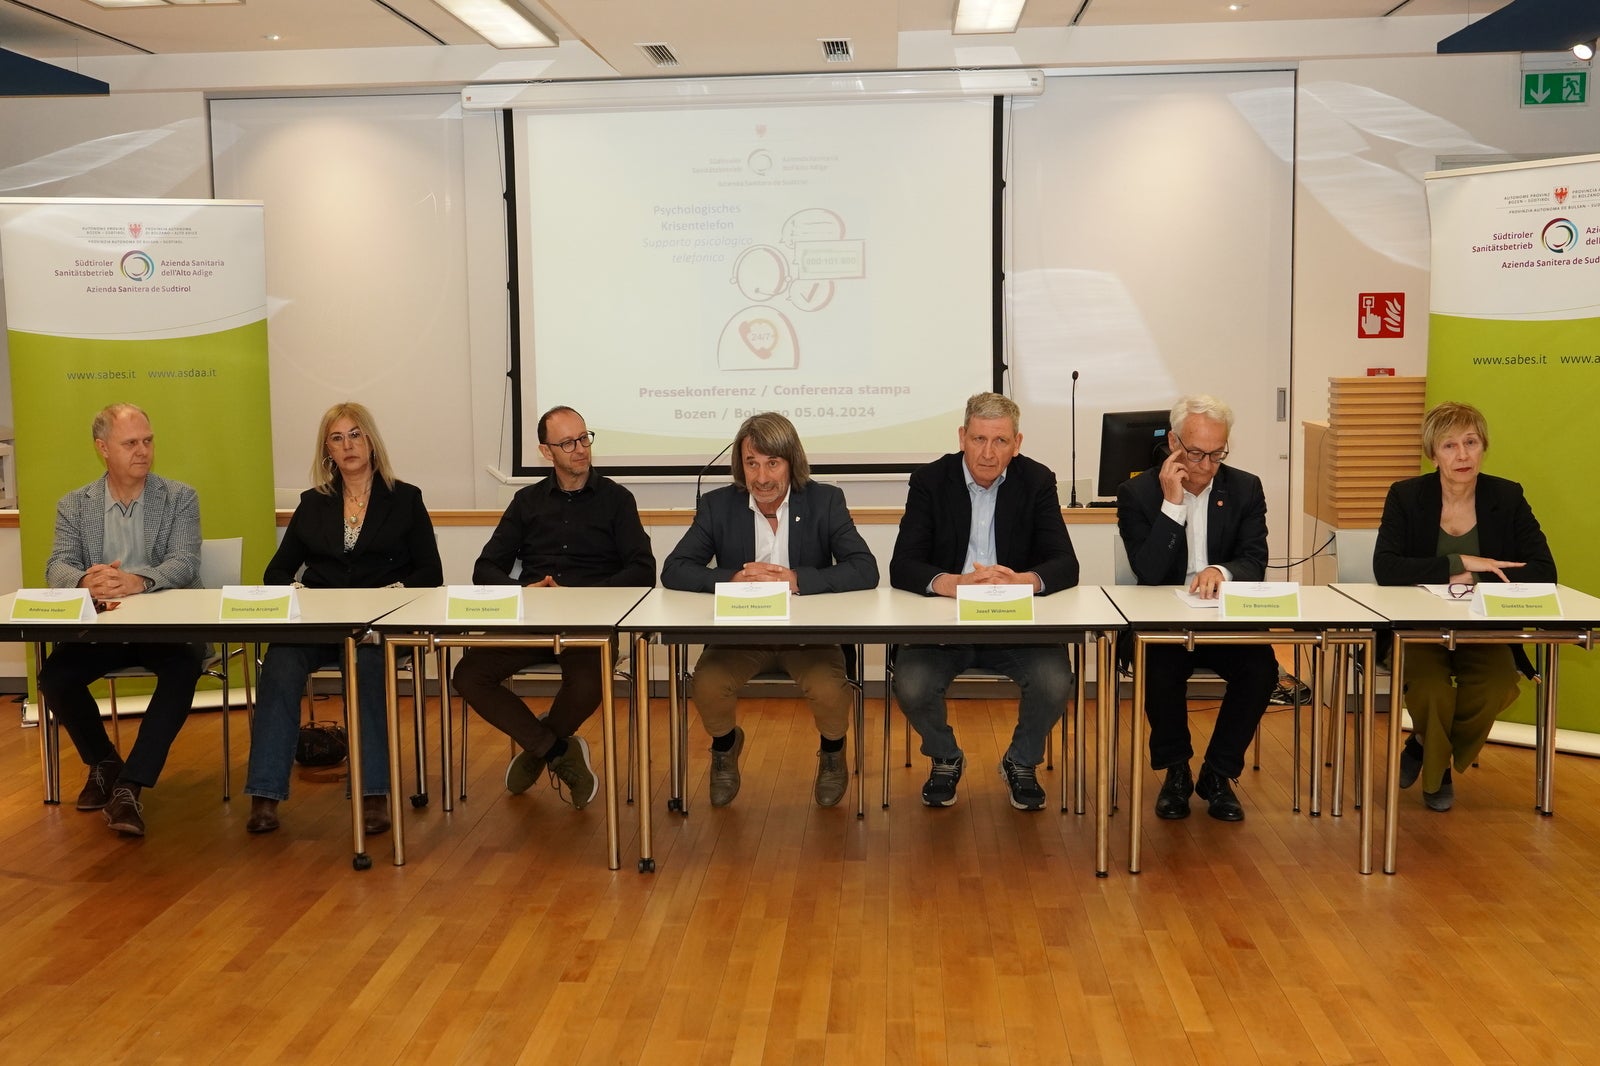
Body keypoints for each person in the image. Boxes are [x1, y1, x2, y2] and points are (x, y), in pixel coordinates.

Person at [243, 402, 442, 835]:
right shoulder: (313, 503)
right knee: (279, 664)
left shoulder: (405, 499)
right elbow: (276, 572)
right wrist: (302, 596)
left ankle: (373, 795)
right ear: (327, 451)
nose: (348, 445)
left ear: (371, 442)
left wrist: (389, 597)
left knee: (366, 667)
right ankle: (265, 795)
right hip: (320, 625)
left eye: (355, 435)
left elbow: (430, 573)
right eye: (337, 438)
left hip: (377, 627)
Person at [662, 412, 878, 808]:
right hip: (740, 638)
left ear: (792, 462)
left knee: (830, 691)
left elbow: (866, 569)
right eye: (752, 463)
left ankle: (832, 752)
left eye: (772, 463)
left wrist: (796, 579)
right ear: (740, 465)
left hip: (808, 639)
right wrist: (730, 579)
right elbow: (674, 569)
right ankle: (725, 746)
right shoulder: (718, 506)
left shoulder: (825, 501)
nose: (761, 477)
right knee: (706, 684)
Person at [451, 406, 655, 809]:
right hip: (533, 618)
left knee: (589, 683)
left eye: (584, 438)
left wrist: (580, 594)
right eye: (567, 443)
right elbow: (484, 568)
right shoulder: (526, 502)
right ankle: (557, 751)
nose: (580, 449)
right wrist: (523, 591)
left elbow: (643, 570)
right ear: (547, 452)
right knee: (468, 674)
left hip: (589, 621)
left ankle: (538, 748)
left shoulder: (616, 499)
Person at [889, 392, 1078, 811]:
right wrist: (955, 584)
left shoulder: (1037, 480)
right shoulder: (930, 481)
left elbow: (1066, 563)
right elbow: (903, 565)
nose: (988, 453)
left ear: (1017, 443)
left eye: (1000, 441)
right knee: (912, 684)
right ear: (962, 437)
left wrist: (1022, 581)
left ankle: (1021, 761)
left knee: (1053, 681)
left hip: (1015, 625)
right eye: (978, 439)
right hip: (944, 624)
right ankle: (945, 757)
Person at [1373, 400, 1556, 812]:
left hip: (1483, 630)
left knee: (1497, 685)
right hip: (1417, 630)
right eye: (1449, 445)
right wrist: (1460, 562)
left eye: (1471, 442)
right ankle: (1438, 777)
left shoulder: (1506, 496)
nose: (1462, 455)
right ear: (1433, 454)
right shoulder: (1407, 496)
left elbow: (1544, 570)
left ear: (1483, 446)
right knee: (1431, 690)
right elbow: (1386, 567)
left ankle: (1423, 746)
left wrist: (1475, 578)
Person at [39, 403, 204, 838]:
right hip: (103, 629)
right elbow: (57, 565)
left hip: (166, 629)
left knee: (185, 667)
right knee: (55, 676)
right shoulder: (75, 504)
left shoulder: (180, 497)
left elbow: (185, 562)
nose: (143, 450)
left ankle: (130, 786)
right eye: (130, 443)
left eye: (147, 441)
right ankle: (104, 761)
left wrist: (136, 580)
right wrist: (85, 580)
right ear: (102, 448)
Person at [1117, 394, 1277, 823]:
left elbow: (1255, 560)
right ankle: (1176, 773)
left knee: (1261, 669)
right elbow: (1149, 572)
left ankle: (1218, 774)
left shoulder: (1245, 488)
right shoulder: (1137, 493)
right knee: (1157, 665)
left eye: (1217, 454)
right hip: (1164, 624)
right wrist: (1173, 505)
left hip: (1223, 621)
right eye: (1196, 453)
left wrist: (1221, 571)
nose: (1207, 466)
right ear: (1173, 443)